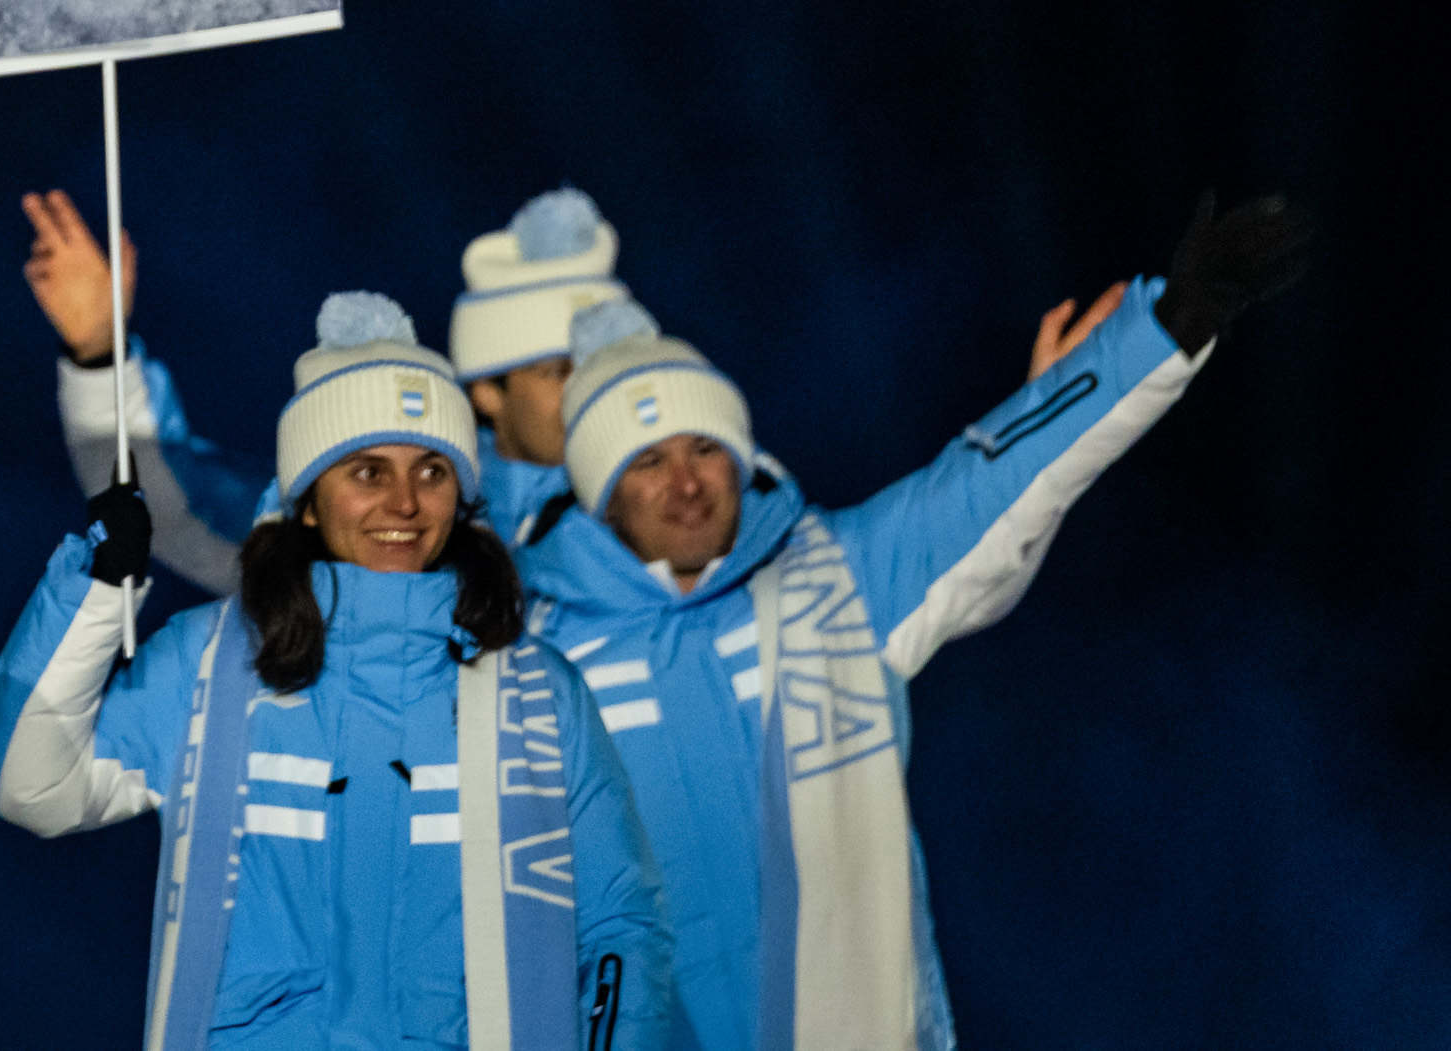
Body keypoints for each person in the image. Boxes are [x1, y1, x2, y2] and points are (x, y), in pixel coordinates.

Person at [512, 194, 1313, 1051]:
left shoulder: (833, 579)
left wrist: (1169, 322)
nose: (687, 481)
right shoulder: (532, 652)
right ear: (599, 493)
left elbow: (991, 474)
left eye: (705, 447)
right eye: (646, 461)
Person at [0, 293, 673, 1050]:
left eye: (432, 470)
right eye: (368, 470)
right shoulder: (210, 663)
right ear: (307, 498)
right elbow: (26, 785)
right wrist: (96, 589)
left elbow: (620, 927)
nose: (404, 501)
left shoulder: (536, 690)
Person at [17, 187, 264, 594]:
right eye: (370, 473)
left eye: (414, 470)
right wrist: (99, 350)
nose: (405, 504)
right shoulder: (317, 569)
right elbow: (173, 510)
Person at [445, 186, 643, 538]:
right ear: (487, 392)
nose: (589, 386)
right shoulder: (440, 526)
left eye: (602, 362)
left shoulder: (692, 500)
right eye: (559, 371)